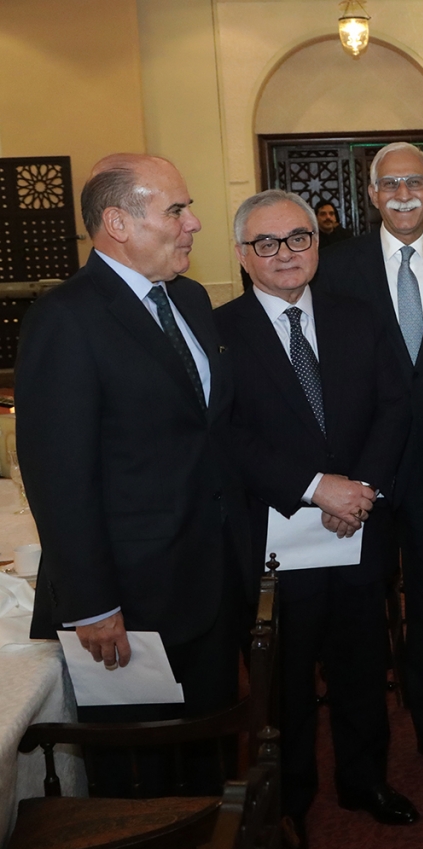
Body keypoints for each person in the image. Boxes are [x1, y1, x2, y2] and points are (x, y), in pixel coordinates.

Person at [15, 153, 254, 795]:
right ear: (118, 222)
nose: (194, 224)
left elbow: (209, 436)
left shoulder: (193, 299)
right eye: (176, 210)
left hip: (209, 576)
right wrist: (93, 602)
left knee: (205, 751)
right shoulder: (65, 319)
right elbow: (58, 475)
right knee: (141, 776)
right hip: (130, 598)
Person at [217, 190, 417, 849]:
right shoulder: (219, 332)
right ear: (243, 255)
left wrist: (359, 493)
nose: (286, 254)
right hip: (275, 538)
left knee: (364, 665)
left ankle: (366, 781)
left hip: (359, 529)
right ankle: (289, 801)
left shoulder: (360, 317)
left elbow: (395, 407)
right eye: (267, 244)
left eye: (298, 239)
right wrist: (314, 489)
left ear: (317, 245)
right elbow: (227, 436)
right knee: (286, 683)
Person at [314, 142, 423, 777]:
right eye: (390, 184)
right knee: (358, 608)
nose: (404, 192)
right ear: (372, 195)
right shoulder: (335, 267)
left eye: (416, 181)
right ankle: (362, 750)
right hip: (363, 470)